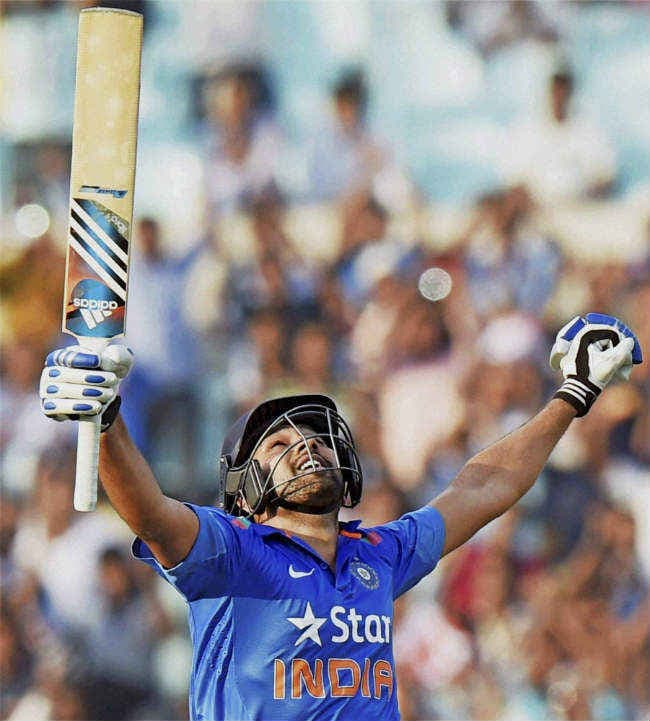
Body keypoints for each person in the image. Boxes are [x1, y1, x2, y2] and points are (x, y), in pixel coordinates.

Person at [38, 313, 642, 720]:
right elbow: (149, 513)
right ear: (242, 487)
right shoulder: (230, 550)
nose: (308, 447)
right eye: (280, 444)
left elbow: (484, 485)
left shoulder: (380, 552)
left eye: (318, 439)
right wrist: (108, 422)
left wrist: (572, 397)